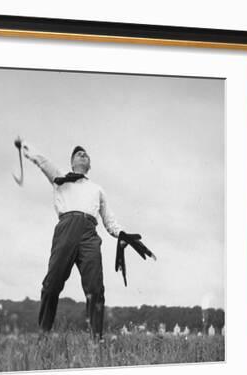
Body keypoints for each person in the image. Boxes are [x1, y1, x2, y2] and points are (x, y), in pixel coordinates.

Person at [16, 137, 152, 342]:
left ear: (89, 165)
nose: (83, 154)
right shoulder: (60, 178)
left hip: (89, 234)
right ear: (72, 162)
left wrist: (122, 234)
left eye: (86, 154)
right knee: (51, 285)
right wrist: (25, 147)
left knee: (95, 288)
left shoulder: (97, 189)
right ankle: (43, 336)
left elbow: (109, 220)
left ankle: (96, 340)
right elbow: (43, 161)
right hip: (66, 230)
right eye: (78, 153)